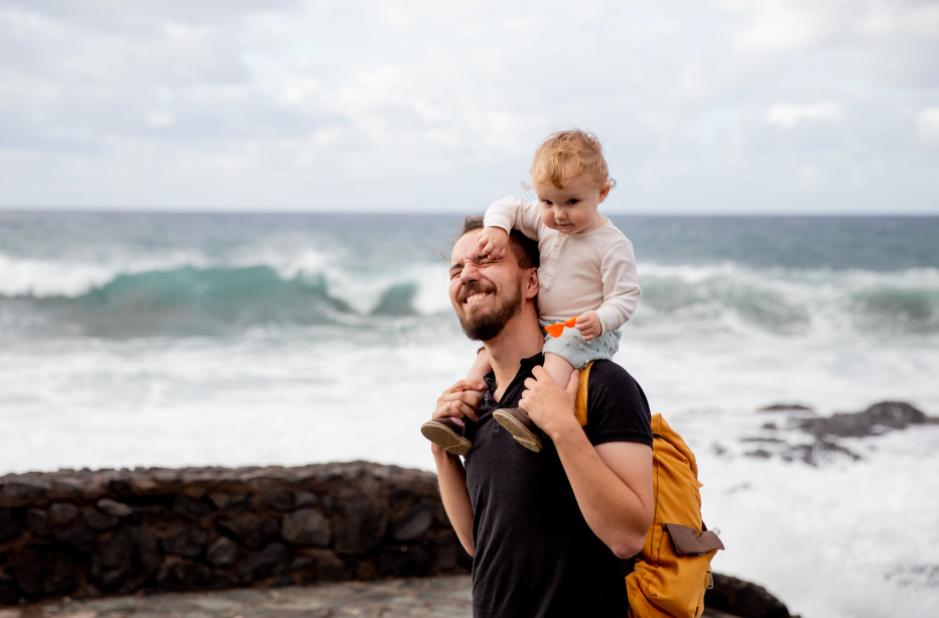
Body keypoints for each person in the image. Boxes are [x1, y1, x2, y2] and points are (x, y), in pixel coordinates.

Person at [430, 217, 653, 617]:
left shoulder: (599, 384)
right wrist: (442, 452)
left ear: (532, 282)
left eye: (484, 259)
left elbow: (629, 535)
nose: (467, 275)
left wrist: (563, 428)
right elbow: (479, 545)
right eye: (456, 269)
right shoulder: (478, 400)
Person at [422, 129, 639, 454]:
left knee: (558, 351)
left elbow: (625, 296)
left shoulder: (612, 245)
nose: (559, 213)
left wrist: (601, 318)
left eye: (572, 202)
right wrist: (496, 230)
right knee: (485, 357)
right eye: (547, 201)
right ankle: (460, 418)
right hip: (548, 325)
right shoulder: (545, 222)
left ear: (603, 193)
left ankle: (531, 417)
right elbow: (506, 206)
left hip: (587, 330)